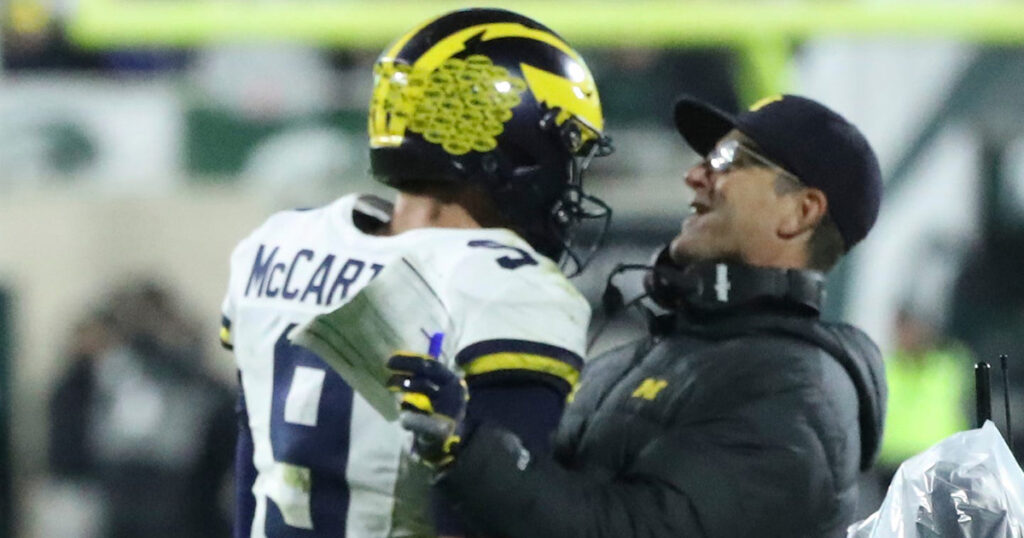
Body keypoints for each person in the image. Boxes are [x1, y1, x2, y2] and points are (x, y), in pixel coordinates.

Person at [388, 94, 888, 537]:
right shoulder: (657, 354)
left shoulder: (798, 392)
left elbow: (633, 528)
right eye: (704, 159)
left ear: (801, 212)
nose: (696, 174)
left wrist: (467, 444)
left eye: (730, 160)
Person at [219, 8, 613, 537]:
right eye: (565, 150)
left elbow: (253, 467)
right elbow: (506, 514)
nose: (568, 177)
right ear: (512, 143)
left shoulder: (279, 243)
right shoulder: (507, 285)